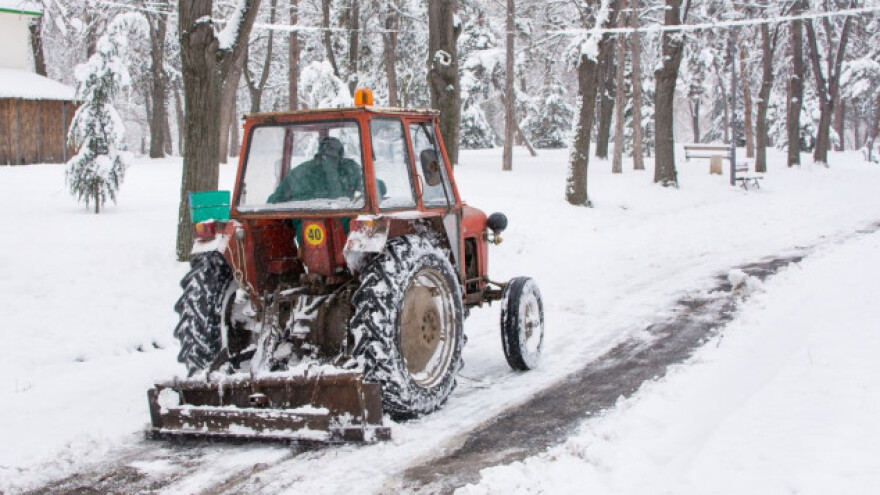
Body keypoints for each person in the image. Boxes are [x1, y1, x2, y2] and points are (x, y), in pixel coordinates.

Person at [267, 136, 363, 204]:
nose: (328, 163)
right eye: (327, 158)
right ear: (341, 155)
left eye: (331, 158)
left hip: (305, 225)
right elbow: (274, 202)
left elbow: (273, 201)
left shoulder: (301, 172)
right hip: (339, 226)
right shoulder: (350, 170)